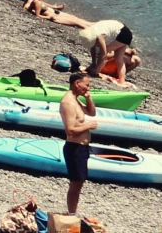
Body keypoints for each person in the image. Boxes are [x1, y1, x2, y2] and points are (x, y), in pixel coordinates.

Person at [59, 68, 98, 217]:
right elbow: (70, 130)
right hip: (75, 148)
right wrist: (88, 126)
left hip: (81, 148)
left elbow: (91, 112)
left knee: (79, 183)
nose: (89, 88)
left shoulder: (75, 99)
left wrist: (88, 97)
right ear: (77, 83)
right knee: (76, 184)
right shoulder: (68, 102)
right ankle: (72, 214)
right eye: (87, 85)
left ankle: (73, 213)